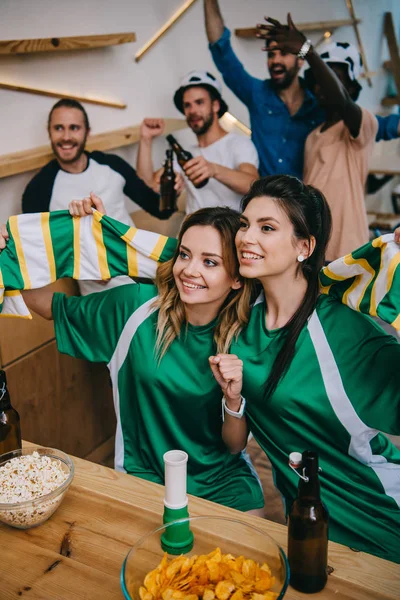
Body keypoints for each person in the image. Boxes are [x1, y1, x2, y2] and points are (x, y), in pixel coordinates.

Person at [1, 206, 264, 515]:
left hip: (224, 484)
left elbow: (234, 446)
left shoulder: (249, 337)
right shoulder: (134, 308)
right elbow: (53, 307)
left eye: (209, 262)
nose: (190, 270)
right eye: (184, 254)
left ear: (235, 278)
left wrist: (232, 398)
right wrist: (7, 257)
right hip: (147, 479)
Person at [208, 175, 400, 563]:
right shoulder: (238, 327)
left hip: (377, 514)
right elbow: (235, 444)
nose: (246, 237)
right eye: (245, 225)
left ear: (304, 246)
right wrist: (232, 399)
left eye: (267, 228)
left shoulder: (344, 329)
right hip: (309, 525)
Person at [204, 0, 400, 178]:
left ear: (300, 61)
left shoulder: (321, 101)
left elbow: (374, 126)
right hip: (264, 202)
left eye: (283, 53)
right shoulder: (256, 93)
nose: (276, 60)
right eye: (270, 55)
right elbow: (221, 51)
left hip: (304, 210)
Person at [21, 98, 182, 294]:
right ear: (49, 132)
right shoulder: (38, 189)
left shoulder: (112, 165)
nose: (66, 136)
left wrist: (173, 193)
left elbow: (160, 210)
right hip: (102, 293)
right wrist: (84, 268)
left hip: (146, 274)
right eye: (59, 128)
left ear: (87, 131)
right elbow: (37, 252)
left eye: (74, 128)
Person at [257, 18, 379, 260]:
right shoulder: (312, 136)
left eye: (335, 80)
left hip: (348, 250)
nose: (324, 87)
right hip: (312, 248)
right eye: (320, 81)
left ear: (352, 88)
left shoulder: (361, 123)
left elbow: (342, 102)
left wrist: (308, 52)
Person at [137, 70, 259, 214]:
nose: (192, 110)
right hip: (193, 232)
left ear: (216, 106)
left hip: (229, 231)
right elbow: (148, 184)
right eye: (187, 105)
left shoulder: (239, 144)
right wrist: (145, 139)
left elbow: (253, 185)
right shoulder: (184, 154)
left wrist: (214, 169)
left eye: (199, 102)